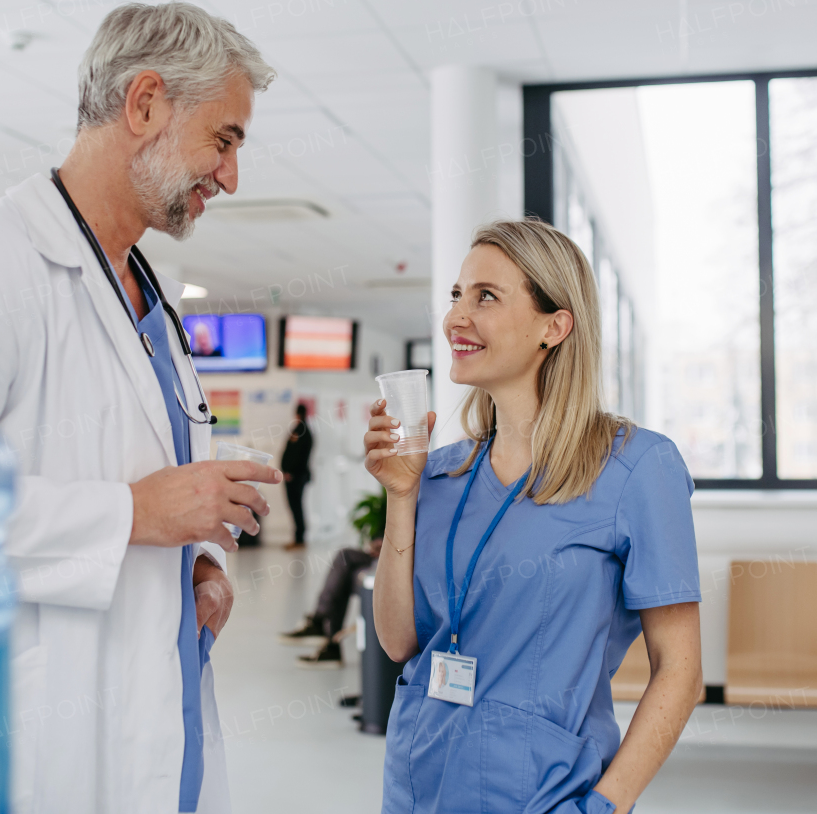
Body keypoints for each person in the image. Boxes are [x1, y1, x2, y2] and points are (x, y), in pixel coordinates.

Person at [0, 3, 280, 814]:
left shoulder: (152, 301)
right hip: (38, 757)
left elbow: (146, 486)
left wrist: (200, 563)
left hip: (159, 738)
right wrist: (133, 515)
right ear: (144, 103)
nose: (231, 176)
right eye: (224, 139)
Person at [365, 220, 703, 814]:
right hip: (421, 784)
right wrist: (400, 494)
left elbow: (680, 672)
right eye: (456, 296)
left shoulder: (637, 468)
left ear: (556, 325)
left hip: (545, 795)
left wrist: (603, 806)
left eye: (485, 297)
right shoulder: (436, 475)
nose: (454, 319)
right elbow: (398, 641)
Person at [280, 537, 384, 667]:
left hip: (394, 559)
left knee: (345, 560)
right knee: (346, 570)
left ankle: (324, 632)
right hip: (383, 557)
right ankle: (326, 636)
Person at [281, 403, 314, 550]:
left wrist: (290, 472)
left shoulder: (301, 431)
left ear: (297, 414)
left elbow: (297, 455)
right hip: (296, 476)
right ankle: (299, 538)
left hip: (295, 477)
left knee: (296, 507)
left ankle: (299, 539)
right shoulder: (303, 430)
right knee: (296, 507)